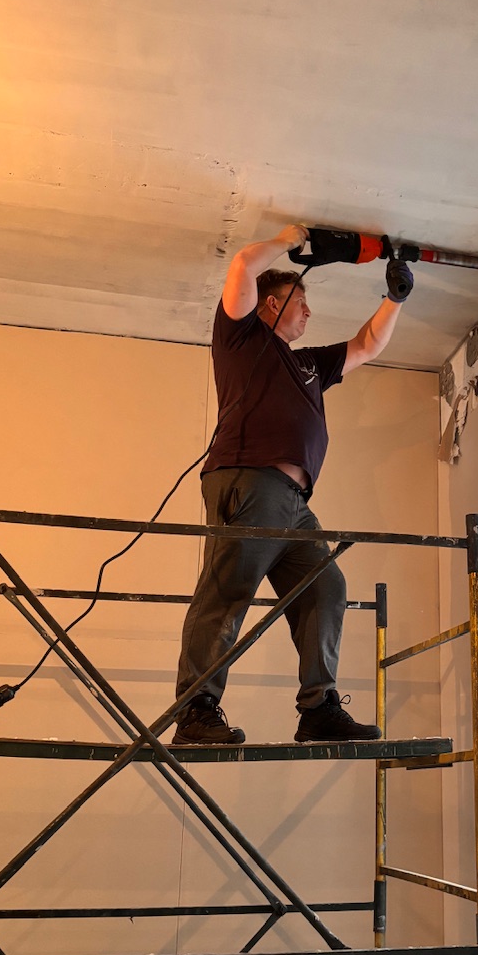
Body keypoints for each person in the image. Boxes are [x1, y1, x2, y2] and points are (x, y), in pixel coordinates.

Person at [173, 224, 413, 745]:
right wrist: (293, 236)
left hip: (294, 502)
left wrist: (394, 298)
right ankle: (195, 711)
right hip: (251, 480)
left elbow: (366, 345)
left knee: (326, 586)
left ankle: (319, 709)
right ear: (271, 304)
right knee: (229, 589)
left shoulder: (307, 364)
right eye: (300, 302)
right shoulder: (243, 338)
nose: (308, 313)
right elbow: (243, 266)